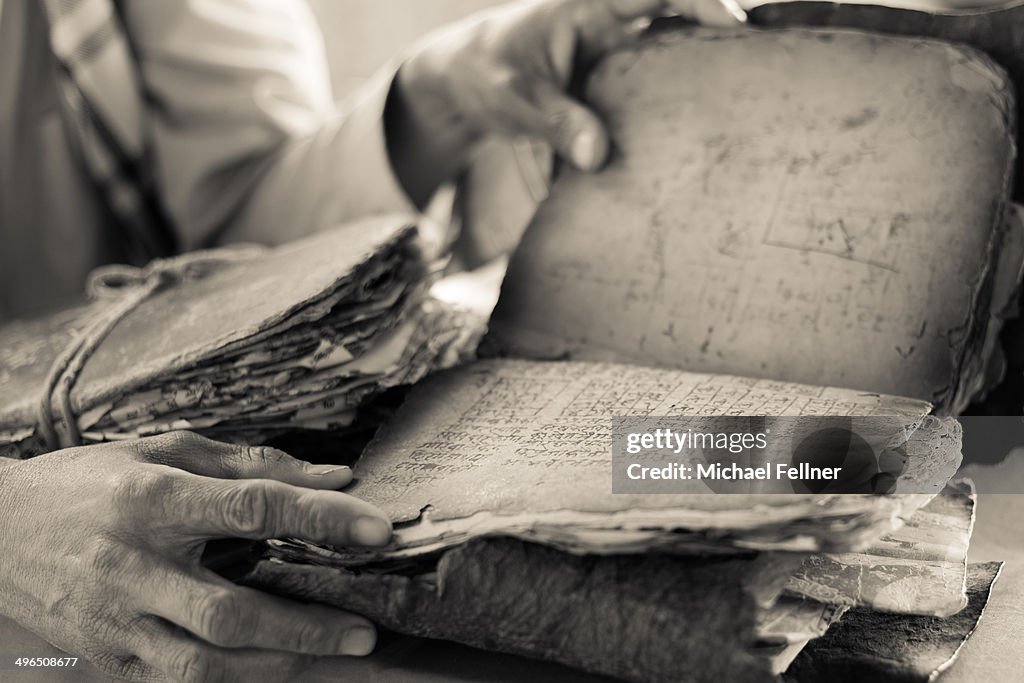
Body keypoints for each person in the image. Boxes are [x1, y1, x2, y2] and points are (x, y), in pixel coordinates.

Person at [0, 0, 739, 680]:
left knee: (819, 467)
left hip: (231, 494)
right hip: (59, 599)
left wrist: (440, 97)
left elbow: (238, 262)